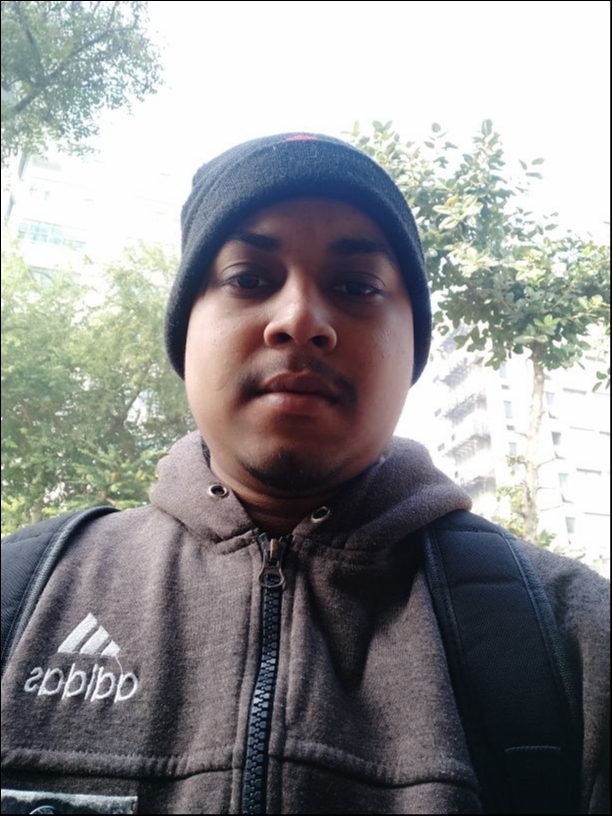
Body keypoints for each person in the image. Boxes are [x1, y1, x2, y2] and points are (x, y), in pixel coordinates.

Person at [1, 133, 609, 815]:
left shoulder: (576, 642)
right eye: (248, 279)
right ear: (184, 329)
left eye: (356, 286)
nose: (299, 320)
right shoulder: (19, 593)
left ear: (413, 345)